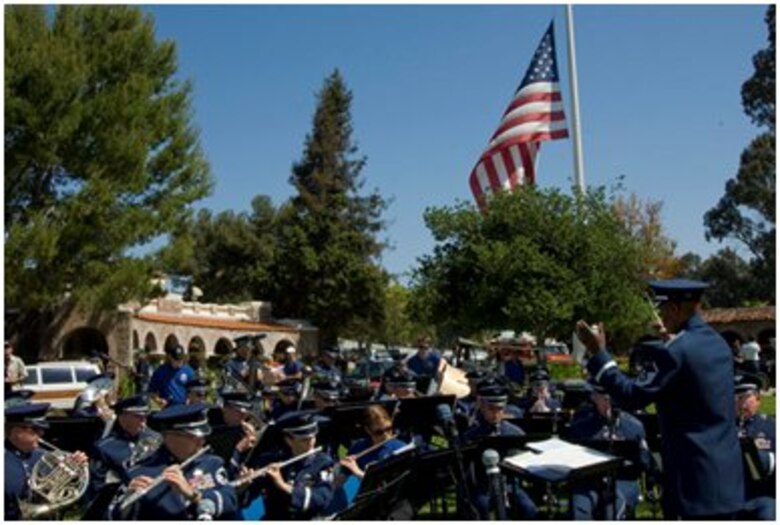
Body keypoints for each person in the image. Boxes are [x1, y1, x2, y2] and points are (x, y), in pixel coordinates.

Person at [576, 278, 745, 520]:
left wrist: (599, 354)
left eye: (662, 309)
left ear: (675, 309)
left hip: (691, 482)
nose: (660, 318)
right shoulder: (717, 344)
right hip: (725, 479)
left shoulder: (677, 351)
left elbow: (631, 397)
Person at [109, 402, 237, 520]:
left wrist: (194, 495)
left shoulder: (211, 463)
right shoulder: (140, 472)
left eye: (203, 436)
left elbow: (230, 499)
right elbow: (111, 516)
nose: (202, 442)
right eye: (193, 437)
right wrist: (127, 503)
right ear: (169, 436)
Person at [566, 381, 655, 520]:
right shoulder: (581, 426)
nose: (608, 403)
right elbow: (569, 461)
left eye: (611, 398)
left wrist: (623, 448)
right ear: (594, 398)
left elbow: (644, 462)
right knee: (580, 510)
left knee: (613, 508)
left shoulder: (634, 426)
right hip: (589, 482)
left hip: (622, 480)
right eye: (604, 398)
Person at [460, 380, 537, 520]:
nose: (496, 413)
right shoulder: (471, 435)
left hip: (509, 485)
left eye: (500, 409)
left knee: (529, 509)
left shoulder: (514, 432)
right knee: (482, 508)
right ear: (481, 406)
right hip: (483, 487)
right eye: (491, 409)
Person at [244, 410, 335, 520]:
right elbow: (245, 500)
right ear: (289, 440)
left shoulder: (322, 462)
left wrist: (282, 485)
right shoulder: (270, 460)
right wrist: (243, 487)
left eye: (313, 437)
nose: (311, 443)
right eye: (304, 440)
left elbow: (322, 499)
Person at [5, 401, 89, 520]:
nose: (42, 433)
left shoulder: (45, 457)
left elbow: (73, 502)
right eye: (35, 429)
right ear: (17, 431)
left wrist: (75, 470)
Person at [87, 395, 159, 507]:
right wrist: (125, 490)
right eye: (138, 417)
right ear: (122, 417)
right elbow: (98, 486)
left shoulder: (156, 438)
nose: (143, 422)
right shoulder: (104, 447)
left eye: (145, 416)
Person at [734, 374, 775, 520]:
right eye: (736, 399)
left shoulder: (772, 426)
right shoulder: (723, 429)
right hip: (729, 497)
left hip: (762, 495)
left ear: (758, 400)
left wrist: (768, 460)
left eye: (745, 398)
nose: (740, 404)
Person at [219, 391, 260, 478]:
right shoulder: (212, 432)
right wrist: (239, 448)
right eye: (238, 410)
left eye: (245, 411)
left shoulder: (246, 431)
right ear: (225, 409)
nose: (243, 415)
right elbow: (223, 473)